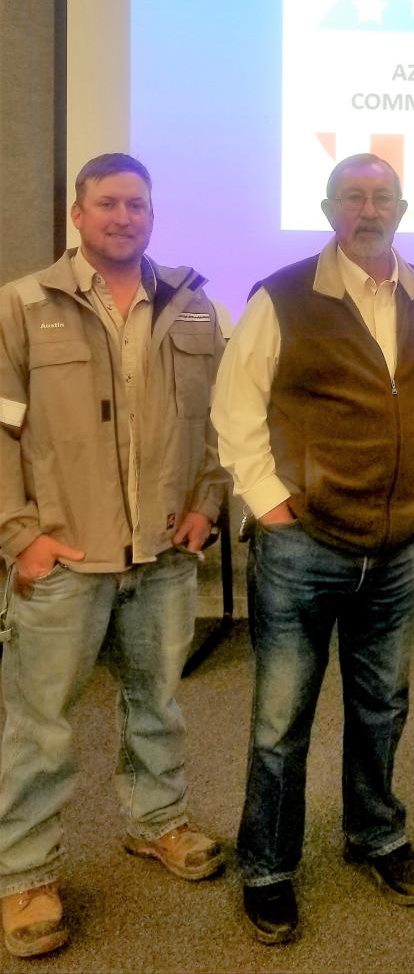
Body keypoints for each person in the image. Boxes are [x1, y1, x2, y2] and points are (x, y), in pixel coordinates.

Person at [212, 153, 414, 945]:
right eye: (352, 196)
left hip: (397, 547)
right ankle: (268, 865)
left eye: (382, 195)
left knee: (382, 704)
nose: (368, 208)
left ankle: (376, 833)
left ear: (404, 206)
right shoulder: (284, 295)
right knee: (281, 718)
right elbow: (236, 405)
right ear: (327, 209)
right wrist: (269, 501)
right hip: (303, 545)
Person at [0, 153, 227, 959]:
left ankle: (157, 823)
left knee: (156, 700)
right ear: (77, 213)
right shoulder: (24, 306)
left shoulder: (194, 307)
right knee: (41, 725)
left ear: (152, 213)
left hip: (164, 551)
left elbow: (219, 425)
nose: (124, 217)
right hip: (66, 554)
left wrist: (207, 504)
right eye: (107, 204)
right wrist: (20, 536)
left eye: (137, 204)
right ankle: (24, 875)